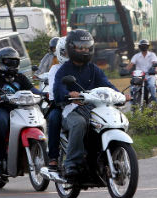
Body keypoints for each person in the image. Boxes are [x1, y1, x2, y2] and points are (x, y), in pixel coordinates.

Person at [53, 29, 122, 178]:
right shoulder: (64, 70)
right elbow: (58, 89)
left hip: (93, 107)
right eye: (80, 47)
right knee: (79, 124)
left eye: (87, 47)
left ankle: (104, 157)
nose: (84, 50)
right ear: (71, 48)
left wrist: (120, 95)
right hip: (72, 110)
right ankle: (71, 164)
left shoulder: (93, 69)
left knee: (110, 120)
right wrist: (68, 94)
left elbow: (106, 84)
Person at [0, 47, 42, 175]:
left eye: (15, 62)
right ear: (1, 62)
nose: (12, 65)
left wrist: (44, 94)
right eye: (9, 62)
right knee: (2, 122)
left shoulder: (20, 77)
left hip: (18, 109)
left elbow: (33, 90)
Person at [47, 36, 69, 170]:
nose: (69, 56)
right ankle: (53, 157)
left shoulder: (84, 67)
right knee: (54, 119)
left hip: (83, 104)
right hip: (61, 105)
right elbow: (53, 93)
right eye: (66, 52)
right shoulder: (55, 70)